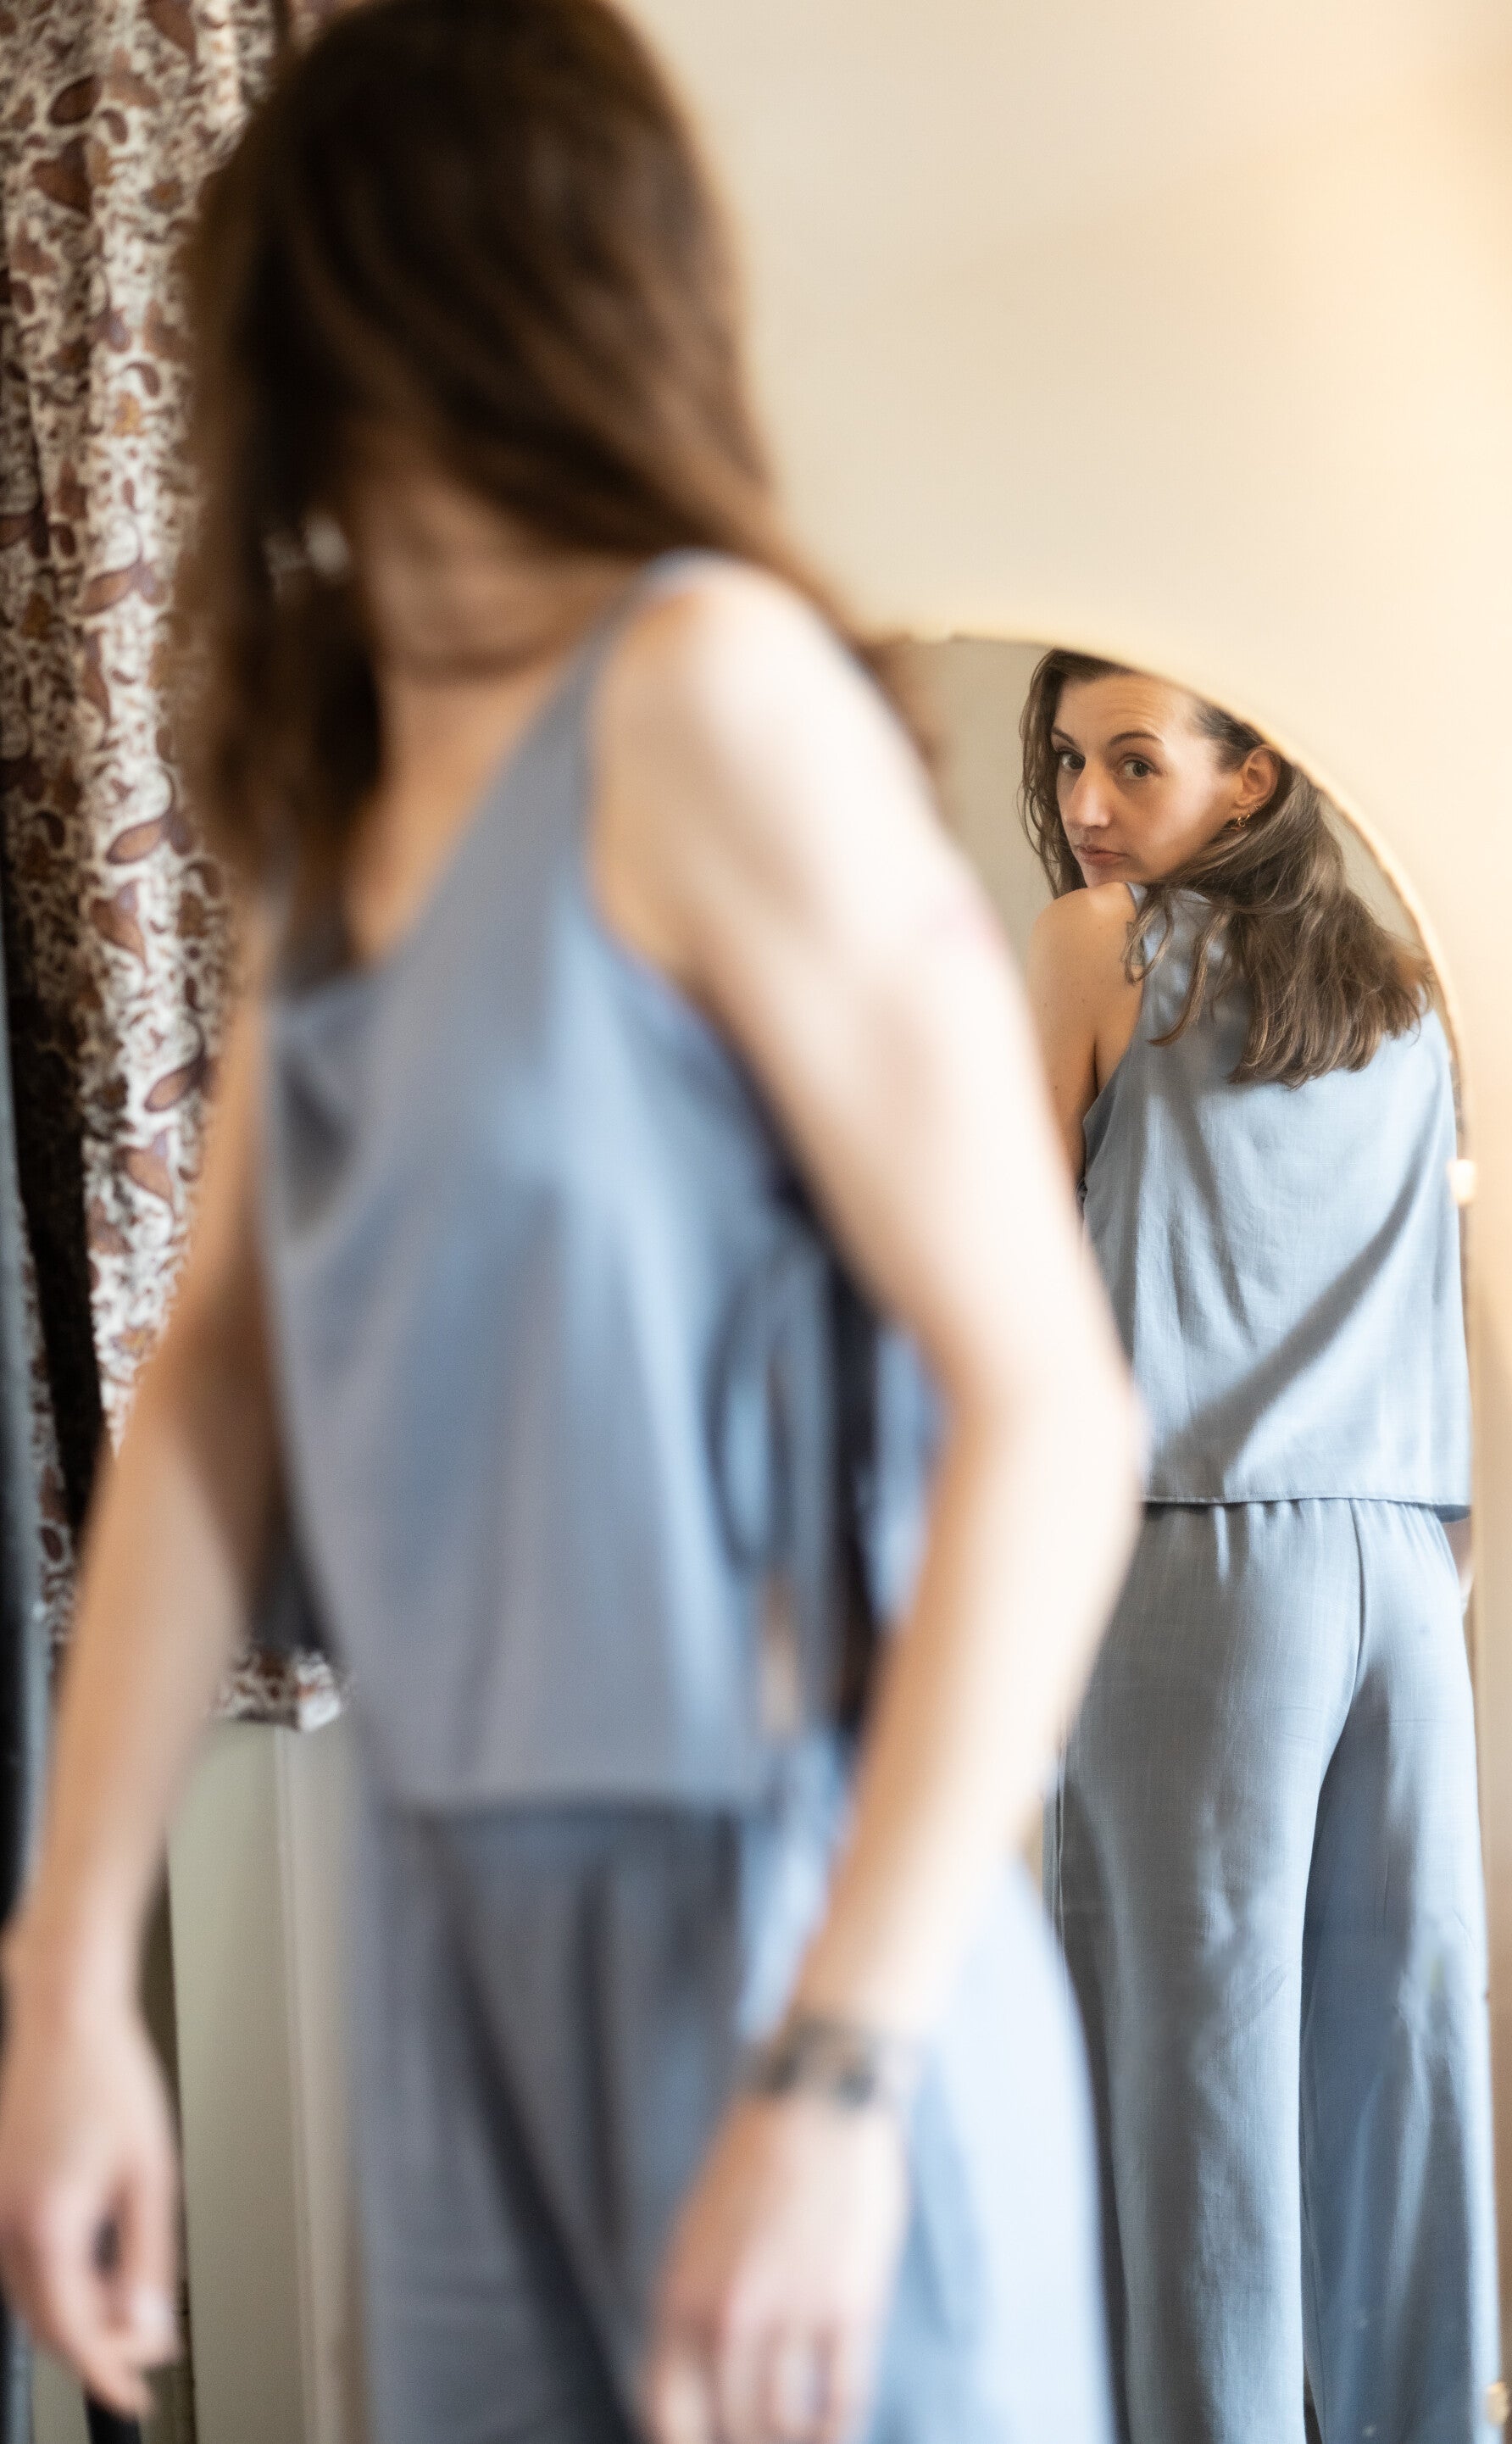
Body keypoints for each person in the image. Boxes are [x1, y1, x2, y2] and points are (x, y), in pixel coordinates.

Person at [0, 8, 1142, 2441]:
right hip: (446, 1945)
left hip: (777, 1920)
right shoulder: (335, 821)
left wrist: (838, 2063)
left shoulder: (708, 698)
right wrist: (68, 1972)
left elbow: (1051, 1409)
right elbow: (212, 1398)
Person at [1023, 649, 1500, 2444]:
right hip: (1405, 1576)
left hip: (1199, 1571)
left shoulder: (1103, 947)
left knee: (1190, 2104)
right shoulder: (1403, 995)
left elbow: (1003, 1278)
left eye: (1132, 760)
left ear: (1252, 775)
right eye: (1067, 759)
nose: (1085, 803)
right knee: (1400, 2086)